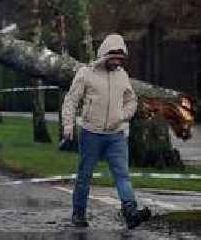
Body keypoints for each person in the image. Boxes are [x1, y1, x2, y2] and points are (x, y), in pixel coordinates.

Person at [62, 33, 150, 230]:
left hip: (116, 136)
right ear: (105, 54)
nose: (118, 62)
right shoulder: (86, 73)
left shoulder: (122, 75)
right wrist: (68, 124)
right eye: (115, 58)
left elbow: (131, 100)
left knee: (123, 175)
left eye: (121, 58)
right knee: (85, 176)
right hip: (90, 133)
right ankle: (79, 214)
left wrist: (123, 115)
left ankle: (130, 213)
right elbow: (71, 100)